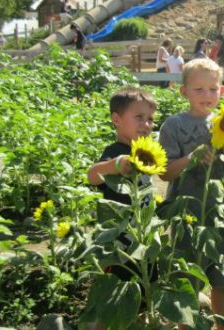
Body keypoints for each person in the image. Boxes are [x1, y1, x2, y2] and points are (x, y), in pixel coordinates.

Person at [159, 58, 224, 330]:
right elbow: (165, 172)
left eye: (212, 89)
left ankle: (222, 326)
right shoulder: (173, 126)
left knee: (222, 277)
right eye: (198, 90)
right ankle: (187, 325)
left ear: (222, 91)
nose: (206, 95)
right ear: (183, 92)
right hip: (187, 214)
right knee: (186, 279)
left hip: (222, 211)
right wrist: (192, 158)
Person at [86, 88, 158, 326]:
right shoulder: (115, 153)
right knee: (111, 301)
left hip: (143, 243)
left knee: (142, 296)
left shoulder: (146, 155)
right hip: (119, 247)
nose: (146, 125)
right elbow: (92, 175)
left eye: (150, 119)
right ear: (116, 120)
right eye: (139, 118)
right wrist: (116, 165)